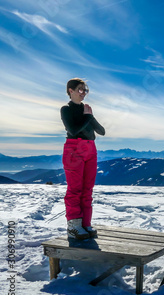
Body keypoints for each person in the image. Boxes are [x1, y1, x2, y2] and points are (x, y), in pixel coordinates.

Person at [61, 78, 105, 239]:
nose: (83, 93)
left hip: (90, 149)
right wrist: (87, 117)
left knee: (87, 190)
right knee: (75, 189)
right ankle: (74, 226)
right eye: (80, 90)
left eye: (85, 90)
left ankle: (85, 223)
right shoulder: (66, 109)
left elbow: (101, 131)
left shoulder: (86, 111)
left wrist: (90, 116)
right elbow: (73, 130)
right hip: (74, 148)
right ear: (70, 91)